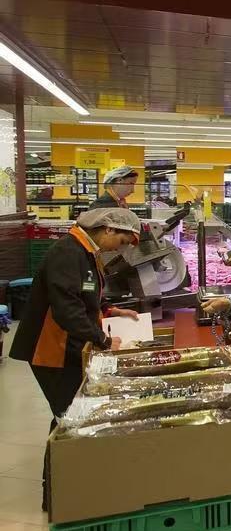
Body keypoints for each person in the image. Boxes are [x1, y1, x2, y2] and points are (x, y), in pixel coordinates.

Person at [8, 208, 142, 510]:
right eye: (121, 241)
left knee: (70, 415)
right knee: (68, 418)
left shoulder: (85, 251)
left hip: (69, 346)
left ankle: (67, 488)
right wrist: (103, 340)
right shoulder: (67, 253)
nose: (119, 248)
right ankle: (57, 496)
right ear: (107, 229)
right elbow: (67, 308)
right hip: (51, 349)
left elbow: (86, 292)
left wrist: (110, 310)